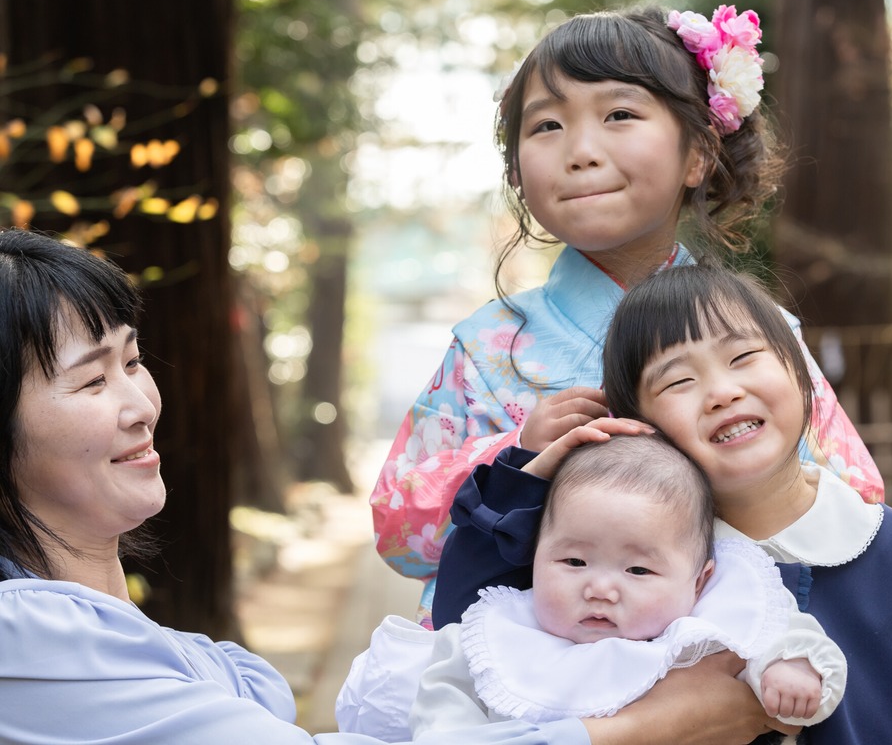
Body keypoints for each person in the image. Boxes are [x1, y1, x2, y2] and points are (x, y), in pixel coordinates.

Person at [1, 228, 632, 745]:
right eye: (90, 382)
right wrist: (646, 726)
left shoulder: (120, 637)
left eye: (133, 362)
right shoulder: (26, 639)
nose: (141, 403)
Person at [369, 3, 884, 630]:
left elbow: (856, 498)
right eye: (547, 126)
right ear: (516, 171)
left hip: (727, 658)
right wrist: (518, 455)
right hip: (523, 674)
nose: (581, 151)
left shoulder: (762, 334)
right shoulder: (487, 348)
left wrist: (741, 467)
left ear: (697, 152)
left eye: (619, 115)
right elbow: (400, 535)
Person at [432, 262, 892, 743]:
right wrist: (526, 478)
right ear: (640, 425)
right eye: (678, 382)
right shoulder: (628, 561)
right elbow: (466, 617)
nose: (722, 392)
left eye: (743, 358)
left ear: (801, 374)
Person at [338, 434, 845, 741]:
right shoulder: (492, 637)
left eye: (638, 571)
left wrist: (794, 671)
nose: (601, 588)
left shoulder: (710, 622)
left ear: (700, 580)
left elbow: (789, 636)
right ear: (534, 559)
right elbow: (441, 721)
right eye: (574, 561)